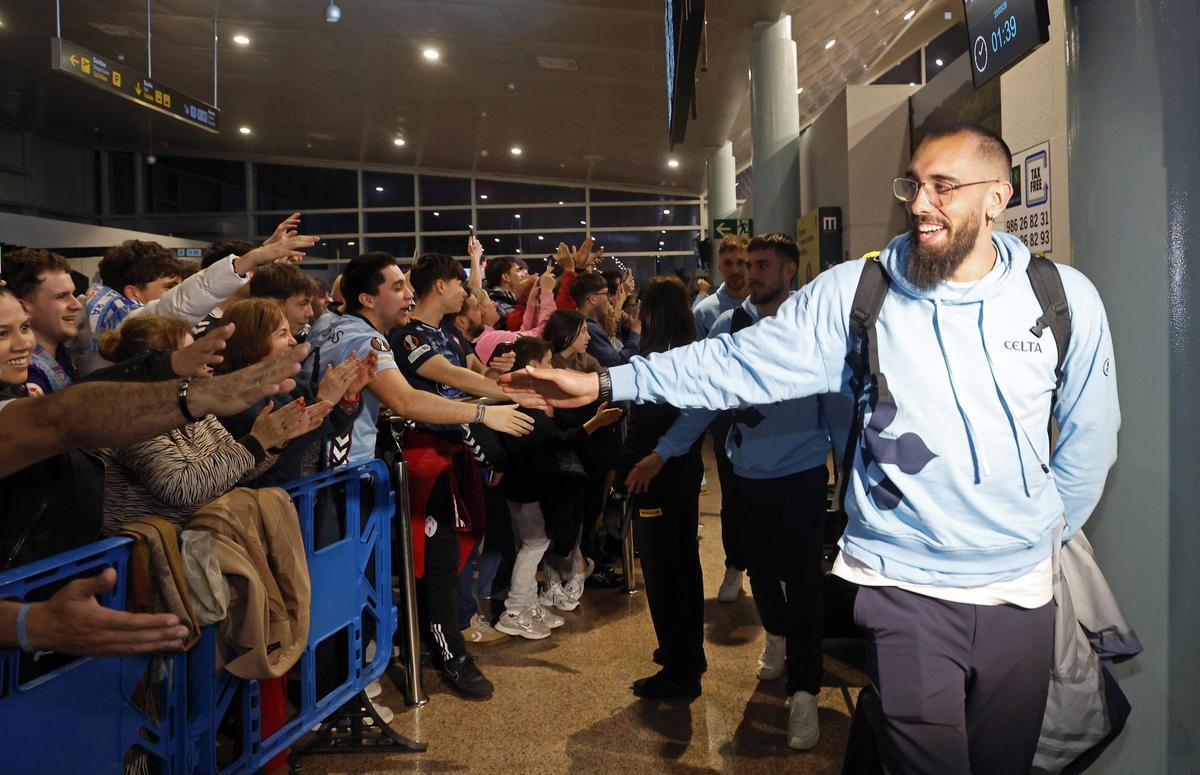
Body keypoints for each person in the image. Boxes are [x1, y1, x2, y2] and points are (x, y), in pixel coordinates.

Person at [501, 123, 1120, 775]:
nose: (919, 203)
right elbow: (735, 362)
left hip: (1023, 596)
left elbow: (1090, 442)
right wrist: (608, 381)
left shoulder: (1062, 298)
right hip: (904, 585)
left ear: (997, 196)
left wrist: (1033, 535)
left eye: (943, 187)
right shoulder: (858, 293)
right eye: (913, 185)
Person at [0, 286, 315, 655]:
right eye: (3, 333)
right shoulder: (127, 423)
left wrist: (266, 443)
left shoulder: (190, 410)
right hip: (103, 576)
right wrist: (242, 436)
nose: (24, 343)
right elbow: (180, 486)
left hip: (65, 591)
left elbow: (231, 468)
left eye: (24, 328)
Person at [641, 234, 839, 747]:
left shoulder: (813, 327)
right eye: (749, 264)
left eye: (763, 265)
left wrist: (848, 467)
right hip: (748, 476)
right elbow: (706, 397)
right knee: (763, 574)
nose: (752, 273)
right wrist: (665, 449)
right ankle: (776, 633)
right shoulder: (729, 326)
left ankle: (804, 692)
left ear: (790, 270)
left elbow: (836, 403)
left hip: (801, 475)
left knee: (805, 582)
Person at [311, 252, 533, 699]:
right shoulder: (370, 338)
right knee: (363, 578)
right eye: (397, 287)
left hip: (343, 473)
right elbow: (409, 400)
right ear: (367, 298)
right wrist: (485, 414)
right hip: (347, 476)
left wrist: (503, 388)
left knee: (375, 574)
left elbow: (457, 377)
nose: (408, 293)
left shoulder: (334, 326)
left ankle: (358, 676)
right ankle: (344, 691)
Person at [97, 315, 330, 533]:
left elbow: (237, 472)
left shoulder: (192, 408)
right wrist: (255, 443)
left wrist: (273, 441)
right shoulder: (132, 420)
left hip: (200, 539)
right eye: (194, 355)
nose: (207, 364)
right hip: (152, 552)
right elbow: (180, 488)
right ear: (160, 366)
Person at [490, 337, 622, 639]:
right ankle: (515, 609)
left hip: (534, 486)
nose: (552, 367)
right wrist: (593, 424)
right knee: (533, 546)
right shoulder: (521, 404)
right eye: (548, 362)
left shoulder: (533, 401)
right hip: (525, 488)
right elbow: (552, 443)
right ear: (533, 366)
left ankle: (529, 603)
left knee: (535, 545)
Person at [619, 276, 706, 700]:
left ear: (651, 312)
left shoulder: (655, 360)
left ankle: (679, 669)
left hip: (653, 474)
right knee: (684, 561)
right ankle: (687, 651)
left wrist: (625, 468)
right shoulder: (692, 352)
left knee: (662, 571)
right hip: (684, 470)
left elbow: (644, 427)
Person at [215, 298, 374, 488]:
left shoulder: (296, 380)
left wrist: (347, 396)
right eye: (283, 334)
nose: (293, 341)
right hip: (272, 499)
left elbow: (331, 430)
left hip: (311, 496)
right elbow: (279, 459)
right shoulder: (234, 400)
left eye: (290, 332)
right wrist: (322, 401)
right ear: (252, 342)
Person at [690, 234, 752, 603]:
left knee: (767, 493)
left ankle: (770, 566)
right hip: (727, 418)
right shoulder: (706, 312)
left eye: (742, 262)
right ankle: (735, 564)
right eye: (729, 263)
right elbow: (701, 369)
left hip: (771, 417)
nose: (736, 270)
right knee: (733, 495)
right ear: (719, 266)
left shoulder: (770, 303)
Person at [1, 248, 84, 395]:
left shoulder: (59, 350)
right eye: (62, 296)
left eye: (73, 294)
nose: (77, 305)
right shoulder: (23, 370)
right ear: (23, 307)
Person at [250, 262, 317, 340]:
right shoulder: (243, 344)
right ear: (274, 304)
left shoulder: (305, 336)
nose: (310, 313)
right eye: (303, 304)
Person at [483, 255, 529, 327]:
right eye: (518, 271)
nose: (524, 275)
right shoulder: (498, 306)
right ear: (506, 277)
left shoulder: (510, 300)